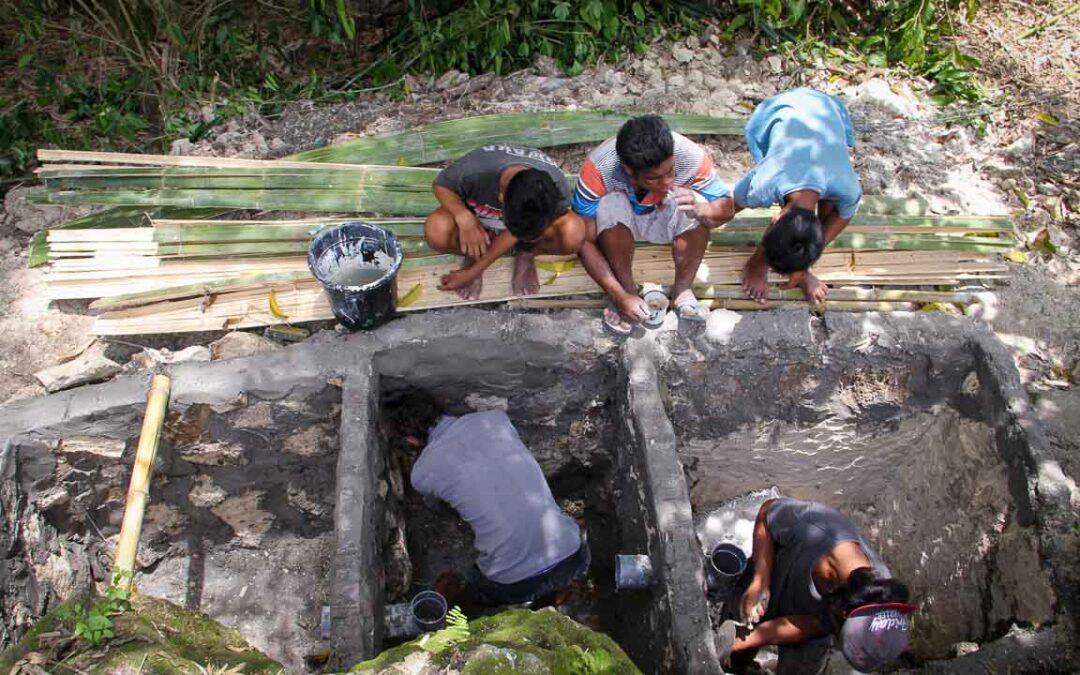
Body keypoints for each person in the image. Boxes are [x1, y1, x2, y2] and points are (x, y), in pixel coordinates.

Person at [382, 387, 590, 607]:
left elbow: (437, 502)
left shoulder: (422, 473)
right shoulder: (495, 419)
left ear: (412, 441)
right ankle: (552, 600)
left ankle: (478, 608)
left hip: (513, 582)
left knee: (466, 588)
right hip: (574, 555)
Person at [572, 115, 734, 335]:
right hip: (619, 227)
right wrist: (619, 295)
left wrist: (702, 209)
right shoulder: (600, 170)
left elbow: (726, 207)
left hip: (666, 218)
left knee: (699, 201)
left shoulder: (690, 156)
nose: (667, 182)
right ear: (629, 170)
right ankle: (629, 293)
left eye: (671, 171)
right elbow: (583, 240)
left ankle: (683, 291)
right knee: (609, 204)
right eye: (654, 178)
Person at [720, 498, 916, 674]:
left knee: (800, 668)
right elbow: (767, 513)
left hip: (804, 622)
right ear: (841, 612)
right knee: (733, 649)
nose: (836, 640)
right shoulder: (814, 525)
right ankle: (736, 666)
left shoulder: (872, 597)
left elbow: (814, 625)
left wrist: (750, 639)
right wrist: (760, 580)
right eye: (838, 637)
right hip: (768, 582)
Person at [732, 88, 862, 305]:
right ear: (775, 217)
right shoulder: (763, 184)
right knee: (825, 198)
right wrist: (758, 260)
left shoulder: (848, 189)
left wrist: (802, 264)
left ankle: (801, 265)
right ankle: (757, 263)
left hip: (826, 107)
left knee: (832, 202)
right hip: (782, 108)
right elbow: (729, 205)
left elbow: (843, 217)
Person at [425, 144, 590, 300]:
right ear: (501, 198)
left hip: (522, 229)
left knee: (573, 233)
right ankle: (474, 253)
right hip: (478, 219)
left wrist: (474, 271)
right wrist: (464, 218)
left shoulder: (554, 187)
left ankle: (526, 255)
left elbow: (515, 232)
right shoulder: (475, 170)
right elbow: (440, 185)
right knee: (437, 229)